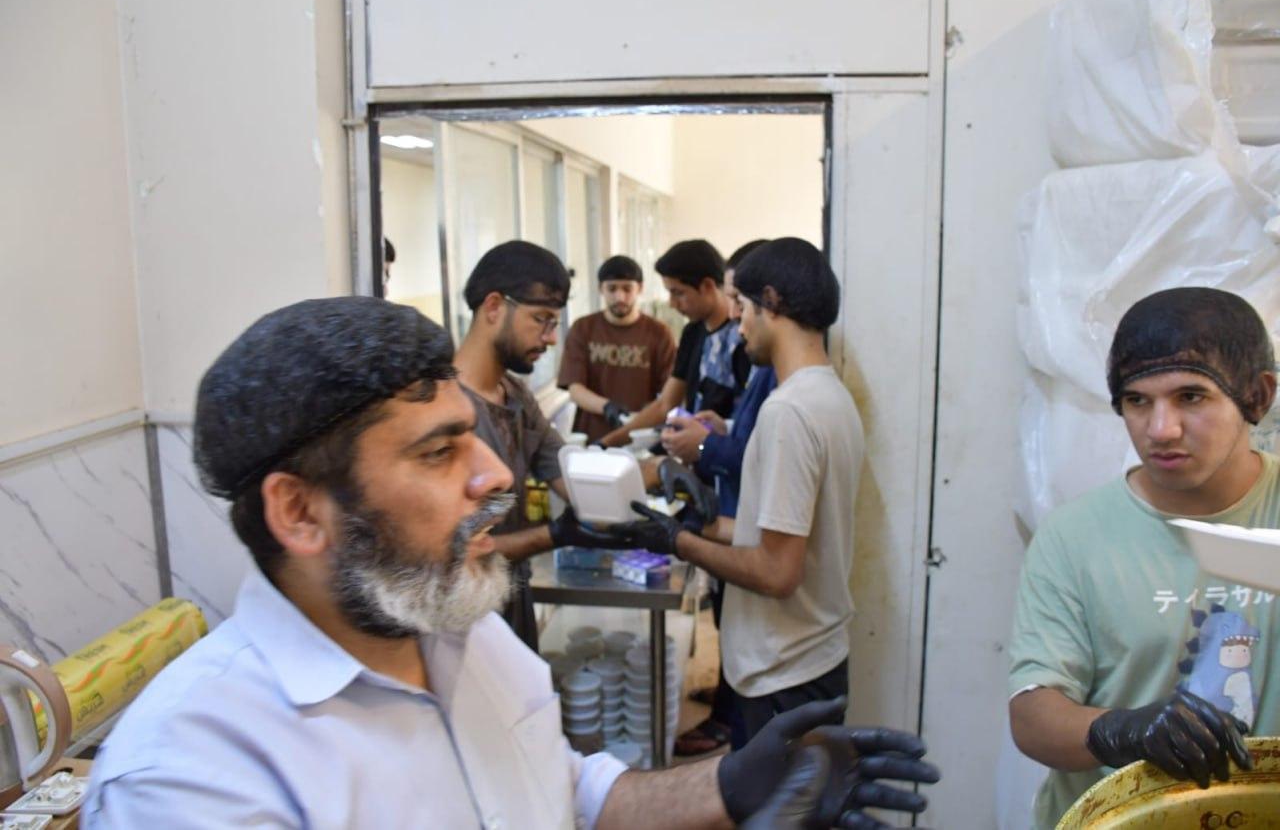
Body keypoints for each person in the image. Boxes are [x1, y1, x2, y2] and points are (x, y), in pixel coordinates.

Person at [81, 296, 938, 828]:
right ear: (300, 511)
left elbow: (567, 792)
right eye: (438, 452)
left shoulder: (468, 636)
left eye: (472, 436)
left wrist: (724, 787)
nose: (493, 474)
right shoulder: (193, 776)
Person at [1008, 287, 1279, 828]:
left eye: (1191, 397)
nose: (1161, 430)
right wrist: (1120, 731)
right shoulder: (1075, 537)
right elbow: (1033, 717)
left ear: (1257, 395)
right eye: (1137, 401)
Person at [620, 238, 865, 744]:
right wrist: (704, 524)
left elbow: (777, 572)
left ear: (770, 303)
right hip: (810, 662)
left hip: (785, 672)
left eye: (745, 307)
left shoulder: (788, 412)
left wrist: (679, 543)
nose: (739, 323)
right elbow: (789, 539)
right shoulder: (831, 395)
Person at [452, 240, 630, 650]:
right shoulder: (443, 411)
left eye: (555, 324)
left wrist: (646, 484)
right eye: (541, 320)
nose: (550, 339)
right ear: (494, 307)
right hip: (462, 620)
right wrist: (553, 534)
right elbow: (460, 552)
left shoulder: (515, 396)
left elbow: (569, 473)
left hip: (512, 599)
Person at [663, 239, 777, 756]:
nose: (735, 316)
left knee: (740, 621)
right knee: (728, 616)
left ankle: (729, 720)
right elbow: (748, 434)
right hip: (732, 507)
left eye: (740, 302)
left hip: (746, 516)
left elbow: (758, 456)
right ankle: (729, 704)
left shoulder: (786, 381)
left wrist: (706, 445)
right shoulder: (760, 361)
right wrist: (722, 426)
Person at [598, 240, 750, 448]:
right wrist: (605, 443)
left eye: (678, 292)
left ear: (707, 286)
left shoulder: (744, 337)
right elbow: (665, 404)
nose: (671, 303)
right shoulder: (693, 332)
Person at [558, 254, 676, 443]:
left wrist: (646, 417)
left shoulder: (659, 333)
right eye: (612, 289)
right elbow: (574, 388)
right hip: (593, 436)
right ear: (601, 289)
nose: (619, 297)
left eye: (627, 289)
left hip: (640, 435)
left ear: (640, 289)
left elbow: (670, 392)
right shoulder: (583, 328)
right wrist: (606, 407)